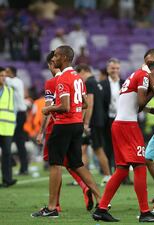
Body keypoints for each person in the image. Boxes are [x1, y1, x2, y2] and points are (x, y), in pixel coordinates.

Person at [91, 52, 154, 223]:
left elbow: (136, 106)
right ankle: (145, 212)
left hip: (119, 124)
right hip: (127, 126)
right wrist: (153, 91)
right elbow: (141, 102)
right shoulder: (144, 76)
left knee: (122, 169)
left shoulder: (134, 75)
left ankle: (101, 209)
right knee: (140, 166)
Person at [31, 45, 101, 218]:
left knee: (55, 164)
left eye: (55, 56)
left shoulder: (62, 79)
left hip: (63, 125)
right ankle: (102, 199)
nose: (53, 59)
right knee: (77, 163)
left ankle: (52, 207)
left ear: (63, 57)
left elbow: (64, 106)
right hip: (77, 124)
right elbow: (84, 104)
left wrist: (49, 110)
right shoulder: (78, 78)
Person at [76, 64, 111, 186]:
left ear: (84, 71)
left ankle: (107, 175)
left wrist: (85, 122)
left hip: (93, 122)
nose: (79, 78)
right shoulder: (97, 83)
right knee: (83, 148)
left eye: (78, 74)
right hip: (98, 120)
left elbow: (89, 104)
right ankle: (82, 178)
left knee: (97, 149)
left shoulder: (89, 83)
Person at [5, 66, 28, 175]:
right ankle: (22, 166)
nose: (5, 74)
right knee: (18, 141)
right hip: (14, 115)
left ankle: (14, 163)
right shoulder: (10, 82)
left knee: (12, 139)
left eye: (7, 72)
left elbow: (6, 80)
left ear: (13, 73)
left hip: (20, 114)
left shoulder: (17, 81)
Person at [103, 58, 125, 172]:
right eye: (112, 68)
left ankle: (123, 174)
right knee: (108, 147)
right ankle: (109, 173)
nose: (115, 70)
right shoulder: (102, 84)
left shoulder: (125, 83)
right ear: (108, 69)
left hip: (122, 119)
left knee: (122, 147)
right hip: (108, 120)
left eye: (117, 68)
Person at [0, 67, 17, 188]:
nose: (4, 77)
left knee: (6, 154)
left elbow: (13, 109)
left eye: (5, 75)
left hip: (7, 127)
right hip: (5, 126)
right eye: (1, 75)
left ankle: (8, 179)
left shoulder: (10, 90)